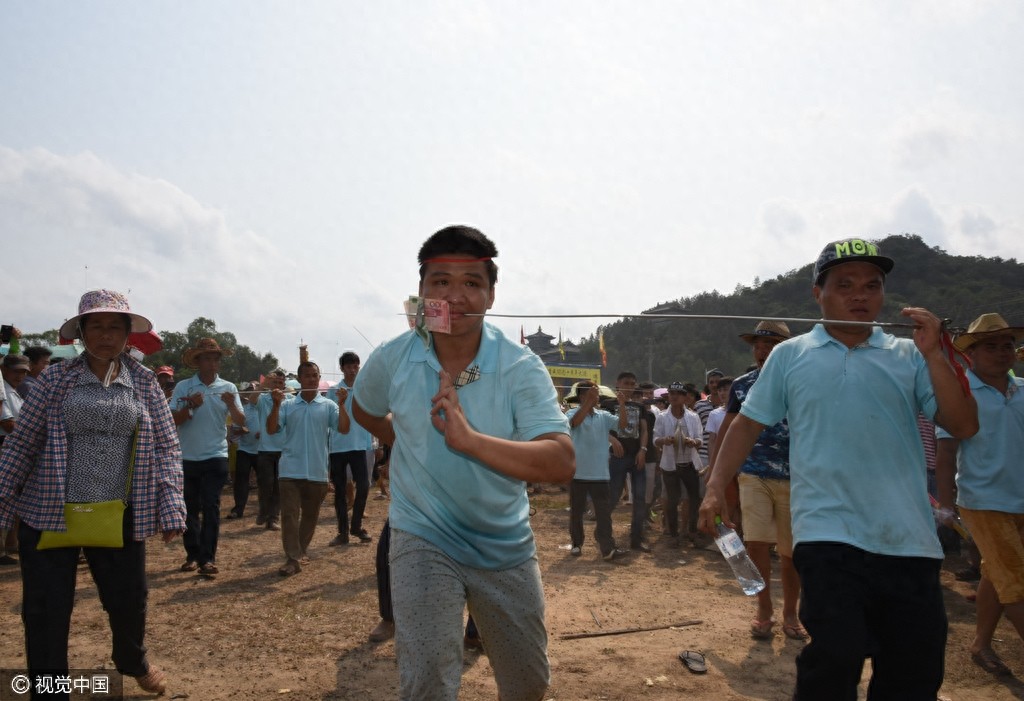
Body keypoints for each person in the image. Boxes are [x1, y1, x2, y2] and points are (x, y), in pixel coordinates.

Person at [698, 238, 978, 700]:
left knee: (913, 670)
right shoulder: (791, 356)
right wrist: (714, 488)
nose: (860, 295)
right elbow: (746, 425)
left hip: (909, 539)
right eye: (844, 285)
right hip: (828, 534)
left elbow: (963, 424)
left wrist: (933, 355)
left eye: (872, 286)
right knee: (835, 658)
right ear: (817, 294)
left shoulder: (908, 356)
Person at [352, 225, 574, 701]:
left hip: (503, 541)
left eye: (471, 283)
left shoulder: (519, 366)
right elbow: (362, 407)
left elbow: (560, 460)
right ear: (421, 291)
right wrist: (403, 439)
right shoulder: (392, 358)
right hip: (422, 533)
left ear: (491, 295)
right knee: (428, 677)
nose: (455, 295)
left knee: (526, 682)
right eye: (441, 282)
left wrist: (470, 441)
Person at [0, 289, 185, 697]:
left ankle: (132, 660)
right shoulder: (55, 377)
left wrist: (171, 505)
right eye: (96, 326)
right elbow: (23, 442)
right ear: (82, 332)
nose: (105, 335)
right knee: (45, 612)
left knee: (129, 600)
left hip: (118, 511)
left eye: (114, 326)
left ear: (127, 334)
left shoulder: (144, 381)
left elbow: (167, 447)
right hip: (49, 511)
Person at [935, 313, 1024, 677]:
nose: (1002, 353)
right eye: (992, 346)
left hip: (1021, 498)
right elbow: (946, 453)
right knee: (1016, 581)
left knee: (997, 574)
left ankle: (981, 644)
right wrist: (945, 503)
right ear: (971, 353)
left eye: (1008, 346)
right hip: (984, 501)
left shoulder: (1023, 390)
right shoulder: (960, 392)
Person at [711, 320, 806, 641]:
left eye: (771, 344)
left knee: (792, 552)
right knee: (755, 544)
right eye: (758, 344)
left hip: (797, 476)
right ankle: (763, 609)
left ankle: (791, 612)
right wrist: (716, 480)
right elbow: (725, 434)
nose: (762, 350)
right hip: (752, 473)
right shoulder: (741, 386)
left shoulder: (803, 382)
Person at [170, 338, 246, 576]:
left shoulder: (229, 388)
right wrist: (190, 406)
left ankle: (207, 558)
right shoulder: (184, 387)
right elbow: (173, 420)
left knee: (211, 506)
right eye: (207, 358)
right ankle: (192, 554)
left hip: (216, 455)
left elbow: (241, 421)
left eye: (216, 358)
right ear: (198, 361)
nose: (213, 362)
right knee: (189, 507)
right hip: (187, 456)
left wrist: (232, 405)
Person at [266, 361, 346, 576]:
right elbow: (272, 429)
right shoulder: (287, 405)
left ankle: (298, 553)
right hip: (290, 470)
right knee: (290, 516)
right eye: (308, 376)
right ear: (300, 379)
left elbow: (344, 428)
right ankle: (292, 558)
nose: (312, 379)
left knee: (310, 517)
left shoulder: (329, 405)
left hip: (317, 471)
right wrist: (275, 405)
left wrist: (344, 404)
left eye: (315, 375)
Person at [566, 380, 627, 559]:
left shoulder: (603, 415)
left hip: (600, 473)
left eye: (596, 394)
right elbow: (574, 423)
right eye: (592, 393)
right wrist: (587, 403)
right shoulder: (572, 412)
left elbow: (622, 425)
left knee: (603, 514)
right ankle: (577, 543)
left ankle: (607, 548)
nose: (597, 396)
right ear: (582, 396)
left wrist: (622, 405)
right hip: (578, 472)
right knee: (577, 511)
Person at [326, 351, 374, 546]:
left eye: (356, 366)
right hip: (338, 446)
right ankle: (342, 532)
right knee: (339, 490)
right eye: (349, 366)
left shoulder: (364, 388)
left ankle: (356, 526)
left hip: (360, 444)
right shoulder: (334, 391)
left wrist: (375, 440)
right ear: (342, 369)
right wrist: (341, 401)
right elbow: (330, 417)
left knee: (363, 486)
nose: (353, 370)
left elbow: (373, 413)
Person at [652, 381, 703, 547]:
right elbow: (655, 439)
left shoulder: (693, 417)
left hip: (689, 463)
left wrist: (692, 442)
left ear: (685, 397)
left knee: (695, 499)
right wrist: (664, 440)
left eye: (678, 394)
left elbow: (700, 440)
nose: (674, 396)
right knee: (672, 501)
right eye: (671, 393)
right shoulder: (661, 417)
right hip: (670, 465)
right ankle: (673, 534)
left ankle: (692, 531)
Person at [606, 371, 651, 552]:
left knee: (640, 497)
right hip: (617, 457)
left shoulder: (639, 407)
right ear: (618, 383)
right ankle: (604, 534)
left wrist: (643, 449)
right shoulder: (608, 405)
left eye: (633, 384)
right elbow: (601, 426)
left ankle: (637, 539)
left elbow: (644, 430)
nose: (630, 387)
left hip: (636, 456)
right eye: (626, 383)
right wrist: (611, 438)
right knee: (614, 496)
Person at [255, 369, 289, 530]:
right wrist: (262, 385)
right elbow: (251, 400)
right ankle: (263, 511)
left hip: (284, 450)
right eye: (274, 382)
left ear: (284, 385)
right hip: (265, 449)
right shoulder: (262, 398)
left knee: (279, 486)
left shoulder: (289, 400)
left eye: (280, 383)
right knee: (265, 484)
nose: (277, 385)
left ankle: (273, 518)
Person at [228, 381, 261, 519]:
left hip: (262, 450)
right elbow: (233, 430)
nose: (250, 393)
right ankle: (238, 509)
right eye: (247, 391)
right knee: (241, 481)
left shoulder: (264, 407)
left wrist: (264, 433)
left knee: (265, 481)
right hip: (244, 449)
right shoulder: (242, 410)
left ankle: (266, 511)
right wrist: (241, 430)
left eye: (252, 390)